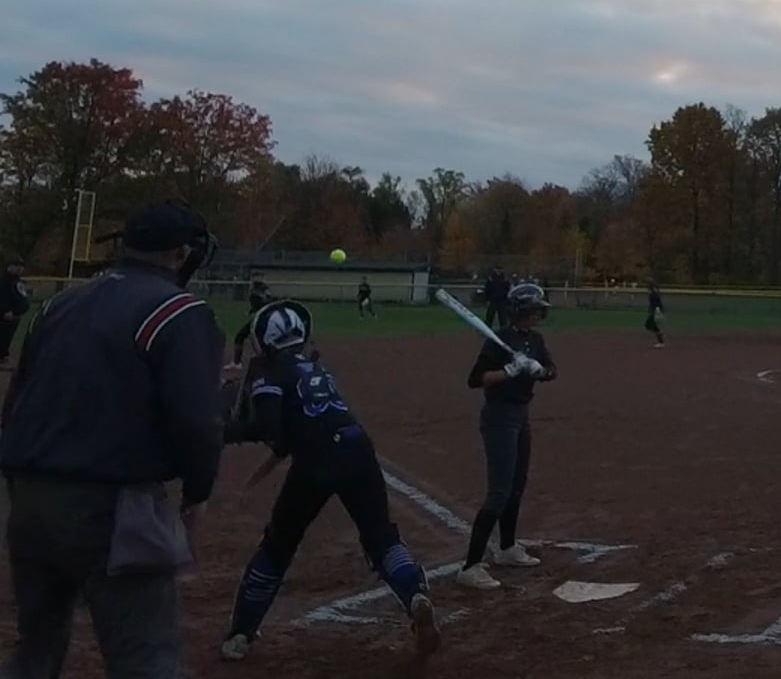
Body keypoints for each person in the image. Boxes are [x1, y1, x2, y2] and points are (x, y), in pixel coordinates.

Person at [0, 200, 226, 677]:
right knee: (147, 658)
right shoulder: (178, 310)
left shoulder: (58, 304)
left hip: (29, 500)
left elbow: (15, 405)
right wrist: (197, 494)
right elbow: (197, 422)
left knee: (34, 653)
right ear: (182, 253)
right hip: (111, 510)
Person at [217, 300, 438, 662]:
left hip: (316, 460)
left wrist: (225, 432)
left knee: (278, 545)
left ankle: (240, 634)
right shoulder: (315, 367)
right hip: (358, 448)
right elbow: (290, 433)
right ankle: (414, 594)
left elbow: (267, 427)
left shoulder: (268, 370)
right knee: (380, 537)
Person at [456, 283, 557, 590]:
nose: (538, 314)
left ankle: (507, 548)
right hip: (499, 417)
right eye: (534, 309)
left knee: (516, 485)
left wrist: (539, 370)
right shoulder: (499, 340)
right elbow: (476, 379)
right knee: (499, 492)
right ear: (521, 310)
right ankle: (470, 566)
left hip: (520, 415)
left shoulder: (535, 340)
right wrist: (510, 371)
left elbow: (552, 370)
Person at [0, 257, 30, 366]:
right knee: (3, 336)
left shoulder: (17, 281)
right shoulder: (4, 281)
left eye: (21, 266)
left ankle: (3, 355)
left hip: (15, 315)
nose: (20, 268)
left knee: (8, 337)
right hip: (6, 315)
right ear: (9, 267)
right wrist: (4, 311)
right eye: (16, 266)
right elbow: (2, 297)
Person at [482, 265, 511, 331]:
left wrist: (507, 300)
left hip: (502, 300)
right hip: (492, 300)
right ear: (494, 270)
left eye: (500, 269)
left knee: (503, 317)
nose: (498, 271)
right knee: (490, 316)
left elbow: (508, 289)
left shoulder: (505, 278)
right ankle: (487, 330)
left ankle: (503, 330)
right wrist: (487, 300)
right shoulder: (490, 278)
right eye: (497, 269)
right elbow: (487, 289)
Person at [644, 280, 666, 348]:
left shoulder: (653, 295)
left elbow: (656, 303)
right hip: (656, 311)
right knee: (650, 325)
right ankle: (660, 336)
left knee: (649, 324)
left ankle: (661, 341)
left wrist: (657, 311)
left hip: (656, 311)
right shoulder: (653, 294)